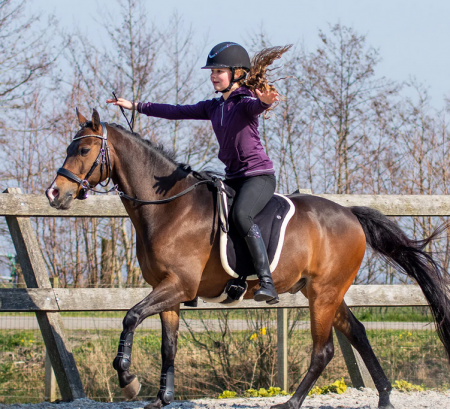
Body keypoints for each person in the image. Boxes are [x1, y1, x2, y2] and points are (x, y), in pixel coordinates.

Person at [107, 42, 291, 304]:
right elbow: (176, 111)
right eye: (212, 72)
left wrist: (263, 102)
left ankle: (266, 281)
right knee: (206, 212)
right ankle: (202, 278)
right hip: (233, 177)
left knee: (241, 214)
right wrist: (136, 106)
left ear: (237, 74)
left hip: (258, 177)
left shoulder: (246, 102)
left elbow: (255, 109)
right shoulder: (214, 107)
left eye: (219, 71)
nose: (213, 76)